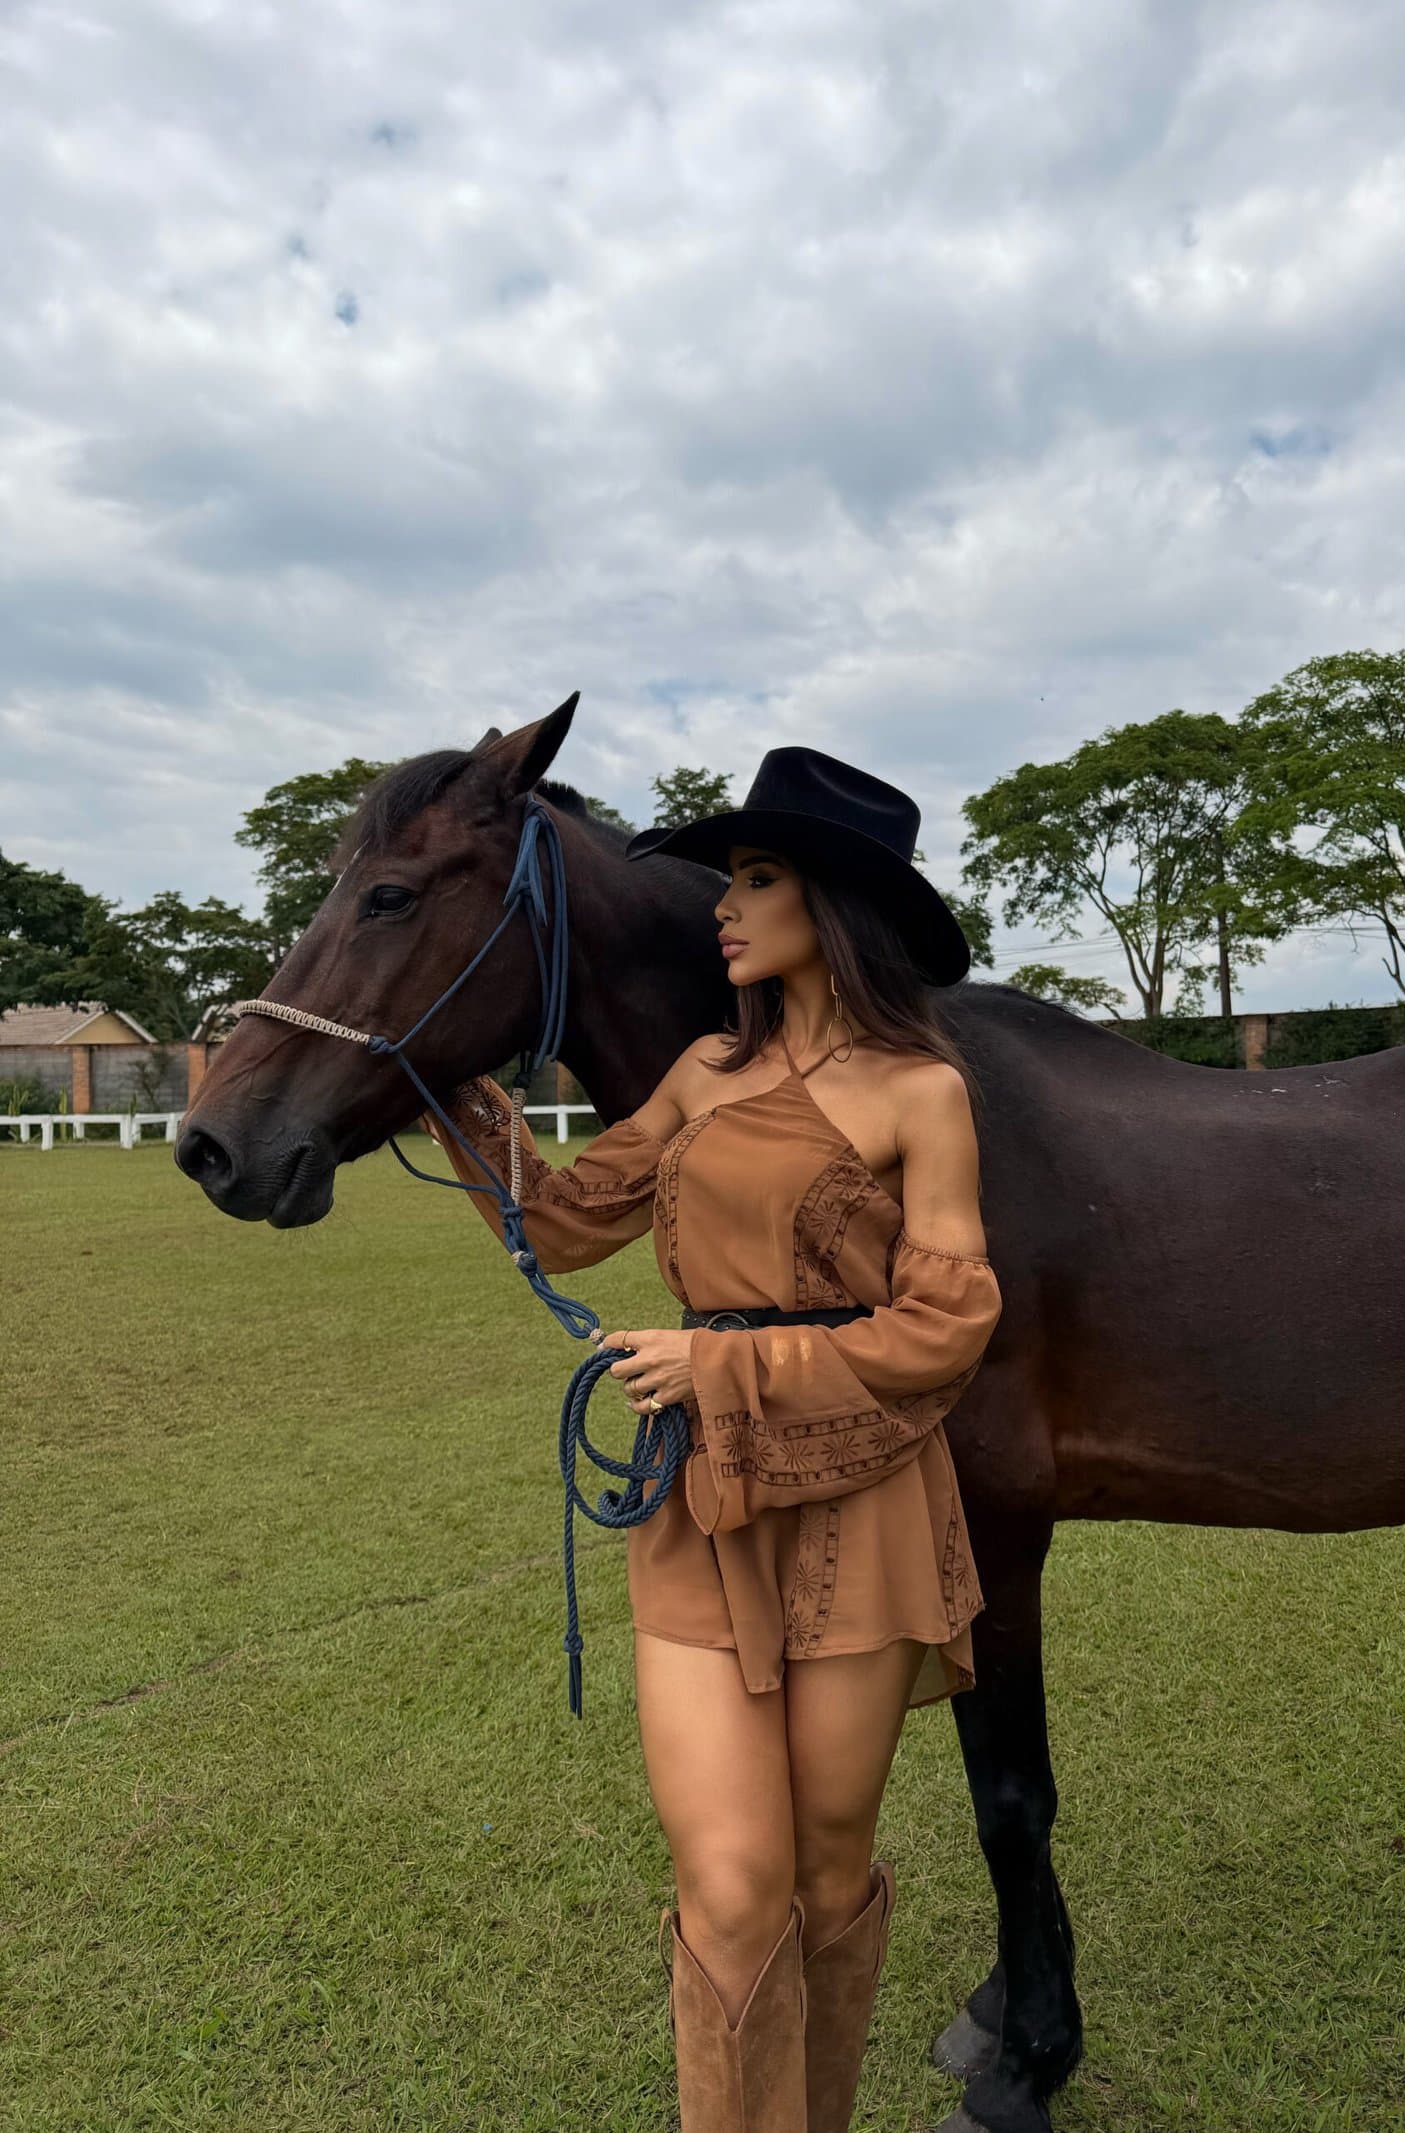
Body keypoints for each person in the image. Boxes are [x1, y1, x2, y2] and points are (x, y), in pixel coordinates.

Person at [421, 747, 1002, 2132]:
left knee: (821, 1866)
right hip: (701, 1495)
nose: (722, 907)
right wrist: (449, 1083)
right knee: (732, 1880)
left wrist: (725, 1359)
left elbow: (947, 1320)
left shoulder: (923, 1090)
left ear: (837, 903)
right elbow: (564, 1216)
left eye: (753, 878)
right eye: (727, 880)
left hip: (864, 1505)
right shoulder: (699, 1068)